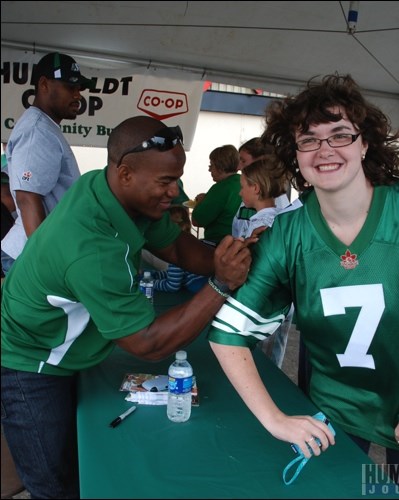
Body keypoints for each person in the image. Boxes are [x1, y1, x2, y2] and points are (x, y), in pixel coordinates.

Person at [207, 74, 399, 499]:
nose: (325, 150)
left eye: (340, 135)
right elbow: (228, 336)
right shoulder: (288, 232)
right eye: (309, 139)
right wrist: (275, 419)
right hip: (339, 403)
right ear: (294, 152)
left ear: (365, 143)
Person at [1, 116, 254, 499]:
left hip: (59, 343)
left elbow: (175, 247)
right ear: (124, 173)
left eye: (177, 179)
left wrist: (226, 257)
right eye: (166, 182)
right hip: (30, 357)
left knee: (80, 459)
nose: (176, 193)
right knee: (55, 483)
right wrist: (221, 284)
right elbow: (146, 343)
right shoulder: (91, 246)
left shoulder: (108, 190)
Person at [1, 52, 93, 276]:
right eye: (70, 87)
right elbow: (27, 198)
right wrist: (45, 262)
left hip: (37, 251)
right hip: (30, 256)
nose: (78, 95)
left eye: (79, 88)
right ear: (44, 84)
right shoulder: (37, 131)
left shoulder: (45, 127)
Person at [238, 155, 292, 367]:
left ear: (256, 189)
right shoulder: (283, 218)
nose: (240, 192)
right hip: (283, 301)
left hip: (265, 302)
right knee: (275, 354)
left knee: (262, 361)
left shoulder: (262, 224)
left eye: (243, 187)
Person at [232, 137, 290, 238]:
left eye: (243, 161)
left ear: (261, 161)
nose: (238, 167)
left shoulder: (278, 203)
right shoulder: (249, 197)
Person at [191, 145, 242, 246]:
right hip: (241, 242)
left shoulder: (221, 188)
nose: (209, 170)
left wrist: (200, 202)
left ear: (220, 167)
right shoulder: (244, 181)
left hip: (220, 243)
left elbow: (197, 221)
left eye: (211, 165)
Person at [151, 205, 208, 293]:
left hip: (200, 288)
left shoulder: (177, 250)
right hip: (207, 282)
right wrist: (155, 274)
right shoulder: (191, 244)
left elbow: (172, 286)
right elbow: (175, 274)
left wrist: (149, 283)